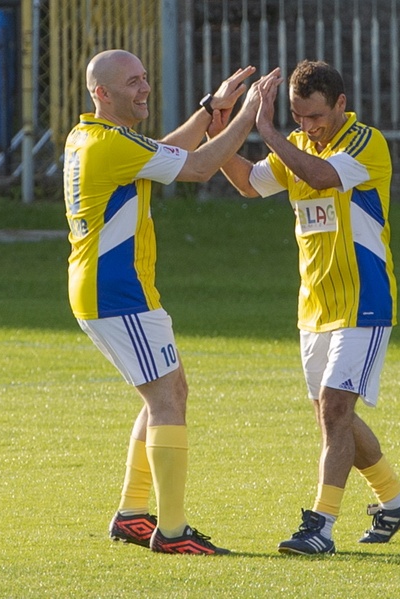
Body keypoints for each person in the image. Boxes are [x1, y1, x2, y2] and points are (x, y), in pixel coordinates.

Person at [63, 49, 280, 555]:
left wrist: (209, 109)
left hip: (111, 289)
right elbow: (201, 168)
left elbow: (164, 154)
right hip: (117, 292)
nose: (144, 90)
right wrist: (248, 114)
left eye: (145, 79)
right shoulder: (108, 146)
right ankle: (173, 532)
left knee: (168, 392)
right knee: (167, 399)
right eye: (132, 83)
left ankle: (133, 514)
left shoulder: (93, 136)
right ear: (102, 93)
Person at [217, 60, 400, 554]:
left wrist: (266, 129)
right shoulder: (297, 145)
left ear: (341, 105)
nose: (307, 127)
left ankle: (320, 527)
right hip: (314, 307)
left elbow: (324, 177)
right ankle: (394, 500)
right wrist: (223, 127)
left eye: (315, 117)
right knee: (335, 418)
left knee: (334, 410)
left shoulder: (363, 143)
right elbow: (248, 183)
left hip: (362, 302)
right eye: (297, 117)